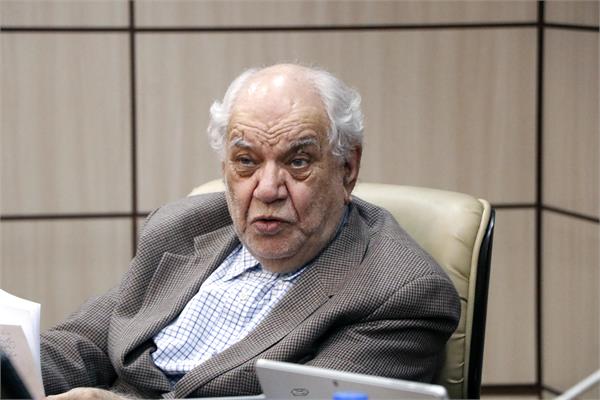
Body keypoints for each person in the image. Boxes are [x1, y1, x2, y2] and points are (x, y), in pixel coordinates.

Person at [42, 64, 460, 399]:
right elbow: (82, 344)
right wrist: (16, 365)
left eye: (297, 162)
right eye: (246, 161)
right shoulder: (180, 227)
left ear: (347, 169)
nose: (267, 189)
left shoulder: (402, 292)